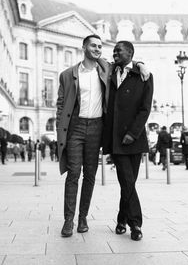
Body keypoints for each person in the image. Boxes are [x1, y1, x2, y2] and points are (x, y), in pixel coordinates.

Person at [56, 34, 149, 238]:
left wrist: (140, 64)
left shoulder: (106, 69)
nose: (98, 49)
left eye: (100, 46)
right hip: (76, 127)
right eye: (93, 45)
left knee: (90, 175)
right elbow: (61, 105)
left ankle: (83, 218)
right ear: (83, 47)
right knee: (73, 174)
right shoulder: (67, 74)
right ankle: (68, 221)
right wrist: (59, 129)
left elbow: (128, 63)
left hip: (98, 127)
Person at [103, 40, 153, 241]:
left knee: (128, 183)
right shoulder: (109, 72)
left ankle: (121, 219)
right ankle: (136, 224)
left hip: (134, 137)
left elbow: (145, 108)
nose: (114, 53)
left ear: (130, 53)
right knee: (127, 180)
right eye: (113, 50)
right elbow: (96, 58)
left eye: (119, 51)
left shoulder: (144, 76)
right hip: (116, 138)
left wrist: (133, 133)